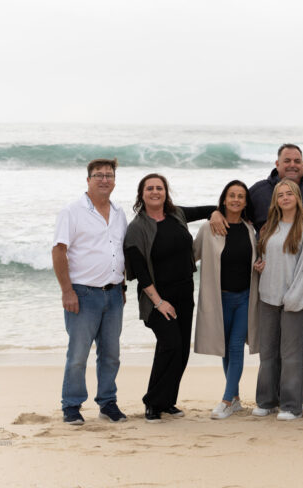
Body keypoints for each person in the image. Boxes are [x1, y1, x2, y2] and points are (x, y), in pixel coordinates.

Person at [123, 174, 215, 422]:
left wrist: (216, 214)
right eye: (150, 188)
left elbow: (209, 209)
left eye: (159, 188)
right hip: (157, 298)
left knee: (182, 350)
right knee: (170, 344)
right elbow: (141, 273)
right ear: (141, 194)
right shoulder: (136, 229)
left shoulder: (177, 215)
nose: (155, 192)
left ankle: (167, 401)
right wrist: (158, 301)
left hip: (184, 292)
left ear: (166, 192)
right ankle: (152, 402)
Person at [53, 158, 128, 425]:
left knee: (110, 355)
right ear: (88, 180)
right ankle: (71, 406)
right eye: (99, 175)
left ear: (115, 180)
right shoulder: (72, 211)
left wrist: (123, 286)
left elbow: (120, 252)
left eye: (109, 175)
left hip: (114, 294)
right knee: (78, 355)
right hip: (83, 294)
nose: (105, 179)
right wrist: (67, 291)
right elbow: (59, 251)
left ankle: (108, 403)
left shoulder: (120, 213)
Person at [252, 179, 303, 421]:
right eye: (280, 195)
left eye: (289, 194)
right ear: (276, 201)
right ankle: (267, 401)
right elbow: (265, 258)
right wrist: (259, 265)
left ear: (298, 198)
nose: (285, 198)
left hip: (294, 300)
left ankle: (291, 406)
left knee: (291, 355)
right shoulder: (269, 227)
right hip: (268, 297)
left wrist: (293, 298)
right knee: (268, 353)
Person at [193, 180, 260, 420]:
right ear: (223, 199)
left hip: (244, 298)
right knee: (226, 351)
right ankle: (236, 400)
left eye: (240, 196)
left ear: (245, 202)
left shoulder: (250, 229)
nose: (236, 200)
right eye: (232, 195)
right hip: (218, 299)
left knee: (235, 347)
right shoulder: (209, 228)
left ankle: (225, 400)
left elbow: (258, 258)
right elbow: (191, 258)